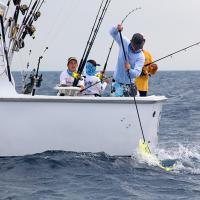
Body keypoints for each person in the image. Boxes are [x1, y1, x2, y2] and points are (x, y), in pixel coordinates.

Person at [110, 24, 145, 97]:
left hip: (130, 84)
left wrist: (129, 70)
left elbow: (137, 73)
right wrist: (116, 28)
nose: (136, 49)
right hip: (117, 83)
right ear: (131, 41)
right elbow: (112, 32)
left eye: (139, 47)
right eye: (135, 46)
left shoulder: (141, 56)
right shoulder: (124, 41)